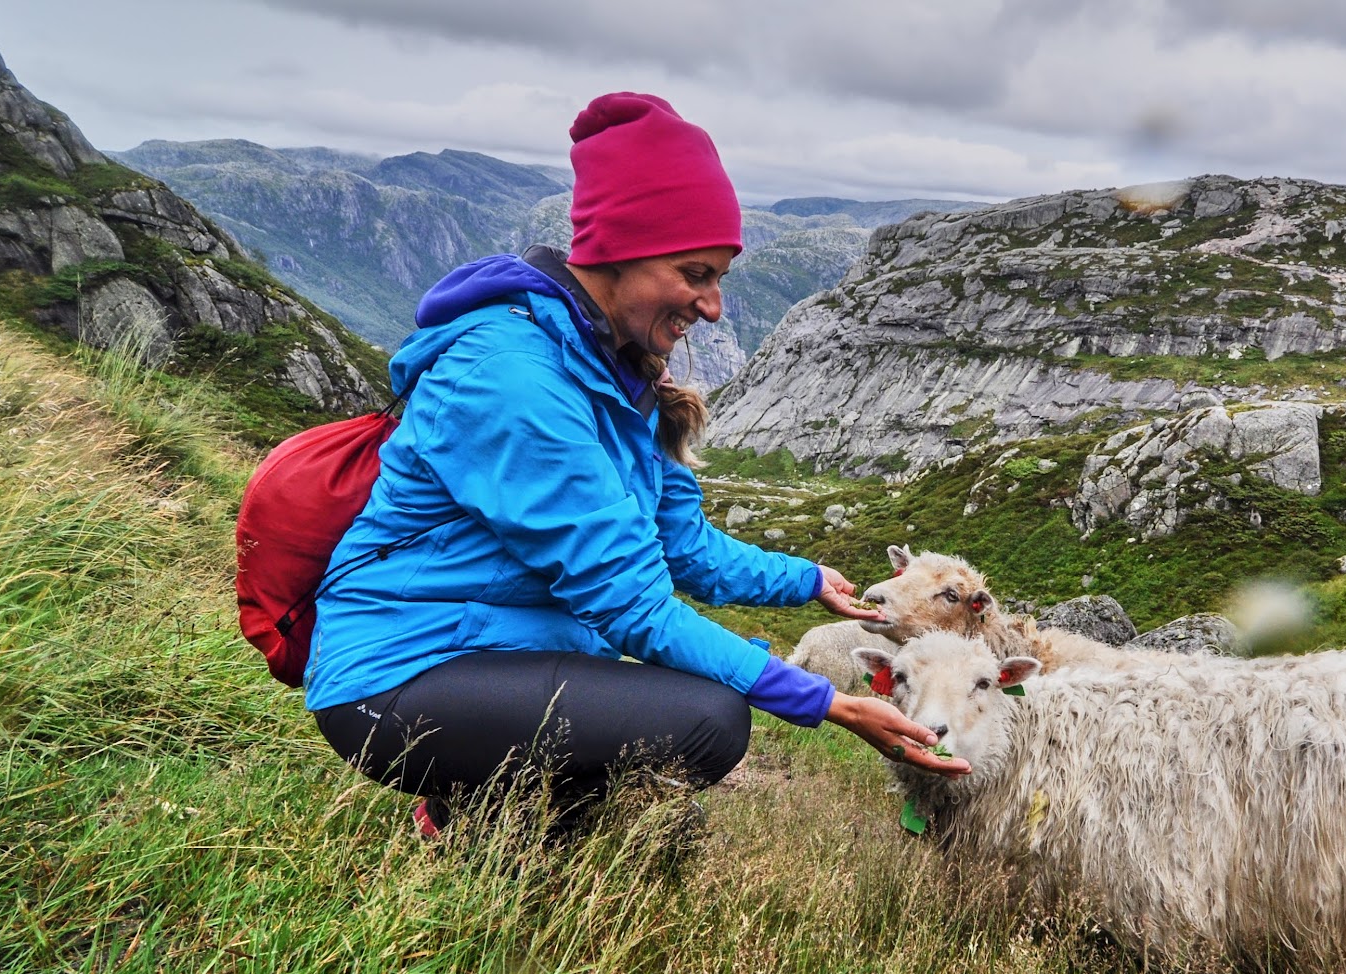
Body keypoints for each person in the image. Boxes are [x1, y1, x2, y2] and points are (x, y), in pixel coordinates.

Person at [304, 91, 964, 834]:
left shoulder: (625, 371)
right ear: (619, 251)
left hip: (490, 652)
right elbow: (634, 605)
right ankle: (474, 814)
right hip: (396, 676)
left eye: (719, 277)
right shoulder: (512, 379)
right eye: (694, 273)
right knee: (709, 720)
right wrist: (826, 702)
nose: (712, 306)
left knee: (685, 732)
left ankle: (505, 818)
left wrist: (808, 580)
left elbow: (684, 547)